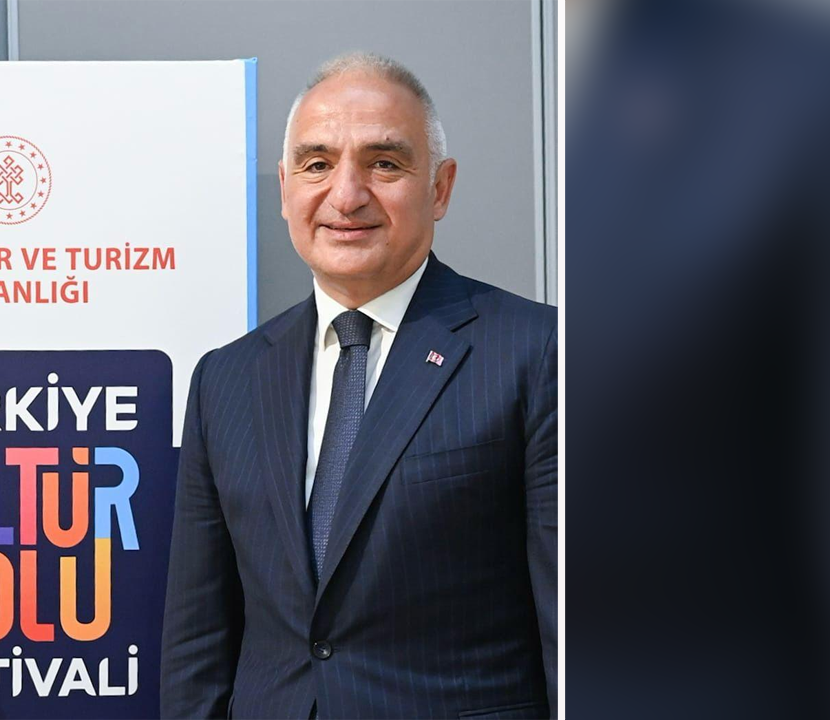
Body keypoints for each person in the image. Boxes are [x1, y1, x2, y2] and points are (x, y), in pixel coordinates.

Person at [160, 53, 557, 719]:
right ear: (285, 188)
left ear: (440, 188)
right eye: (317, 164)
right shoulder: (224, 380)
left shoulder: (538, 354)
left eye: (385, 163)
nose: (346, 195)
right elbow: (197, 645)